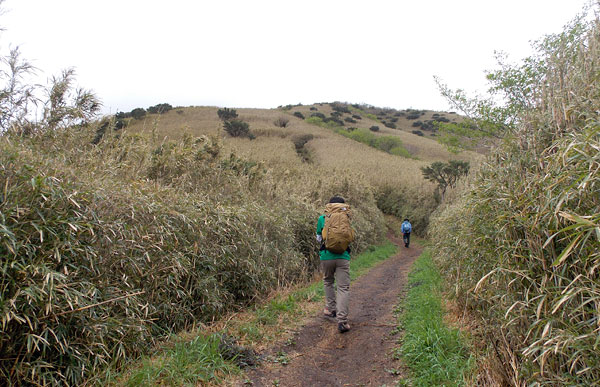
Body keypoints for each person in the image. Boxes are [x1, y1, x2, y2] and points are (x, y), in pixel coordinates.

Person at [316, 196, 354, 333]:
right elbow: (350, 237)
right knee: (343, 287)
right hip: (343, 256)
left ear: (329, 205)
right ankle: (342, 321)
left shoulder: (322, 218)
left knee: (328, 281)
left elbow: (319, 238)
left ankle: (330, 309)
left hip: (326, 256)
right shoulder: (347, 218)